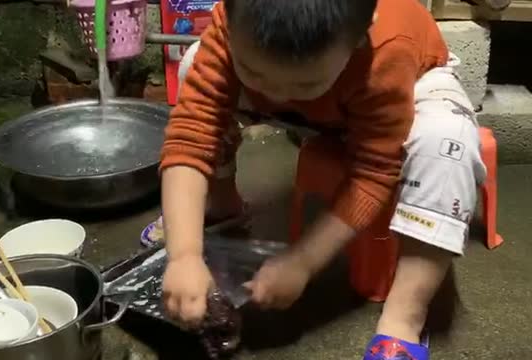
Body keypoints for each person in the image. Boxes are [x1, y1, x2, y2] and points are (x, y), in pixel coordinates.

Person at [141, 0, 487, 358]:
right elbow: (191, 134)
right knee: (193, 65)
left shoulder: (386, 49)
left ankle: (406, 316)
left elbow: (374, 172)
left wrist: (304, 261)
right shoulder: (233, 23)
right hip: (321, 104)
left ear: (360, 34)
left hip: (406, 86)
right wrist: (183, 255)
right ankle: (221, 201)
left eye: (304, 81)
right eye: (253, 72)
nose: (274, 93)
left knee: (448, 141)